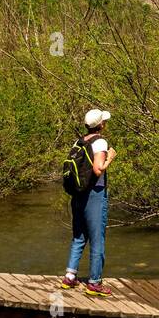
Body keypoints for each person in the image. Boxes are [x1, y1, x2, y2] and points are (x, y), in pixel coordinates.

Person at [62, 108, 116, 296]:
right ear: (100, 125)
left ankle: (69, 277)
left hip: (78, 193)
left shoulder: (79, 141)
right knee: (97, 239)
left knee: (79, 236)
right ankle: (94, 283)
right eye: (104, 121)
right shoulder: (100, 141)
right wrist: (110, 157)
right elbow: (98, 169)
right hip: (94, 193)